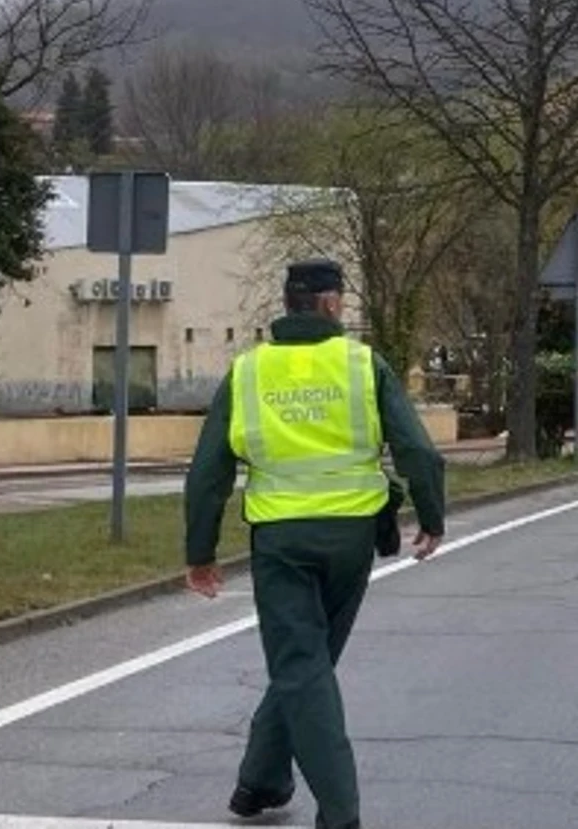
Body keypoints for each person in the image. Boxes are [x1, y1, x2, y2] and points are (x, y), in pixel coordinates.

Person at [183, 259, 447, 829]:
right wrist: (432, 516)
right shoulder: (361, 363)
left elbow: (209, 470)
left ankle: (303, 796)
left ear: (290, 302)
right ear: (330, 304)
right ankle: (282, 790)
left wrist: (200, 552)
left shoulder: (248, 371)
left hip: (280, 539)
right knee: (308, 663)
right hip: (351, 538)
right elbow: (418, 451)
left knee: (301, 663)